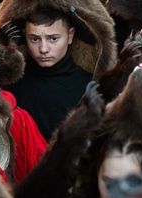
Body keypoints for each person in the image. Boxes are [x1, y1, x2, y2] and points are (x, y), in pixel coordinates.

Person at [6, 8, 92, 140]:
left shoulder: (89, 86)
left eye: (53, 39)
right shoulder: (12, 83)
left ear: (70, 36)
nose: (43, 49)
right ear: (25, 36)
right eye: (34, 39)